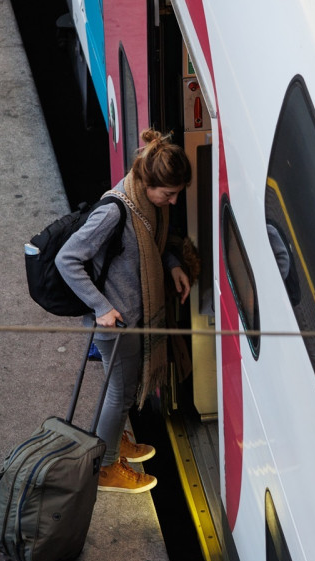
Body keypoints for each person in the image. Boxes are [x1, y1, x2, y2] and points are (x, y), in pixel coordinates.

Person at [55, 128, 192, 492]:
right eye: (169, 194)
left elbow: (154, 244)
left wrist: (174, 263)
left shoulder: (144, 203)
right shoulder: (116, 211)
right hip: (117, 321)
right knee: (120, 394)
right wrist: (101, 307)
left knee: (122, 391)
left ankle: (113, 440)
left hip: (130, 315)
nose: (174, 202)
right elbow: (67, 258)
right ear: (149, 184)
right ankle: (107, 467)